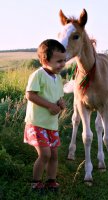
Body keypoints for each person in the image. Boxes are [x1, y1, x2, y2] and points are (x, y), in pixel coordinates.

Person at [24, 39, 66, 192]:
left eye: (64, 60)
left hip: (51, 124)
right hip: (37, 123)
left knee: (54, 155)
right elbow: (30, 95)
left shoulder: (58, 78)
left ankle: (51, 181)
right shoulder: (38, 75)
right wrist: (49, 106)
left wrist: (61, 104)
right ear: (45, 60)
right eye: (59, 61)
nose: (62, 64)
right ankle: (35, 183)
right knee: (45, 154)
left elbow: (59, 96)